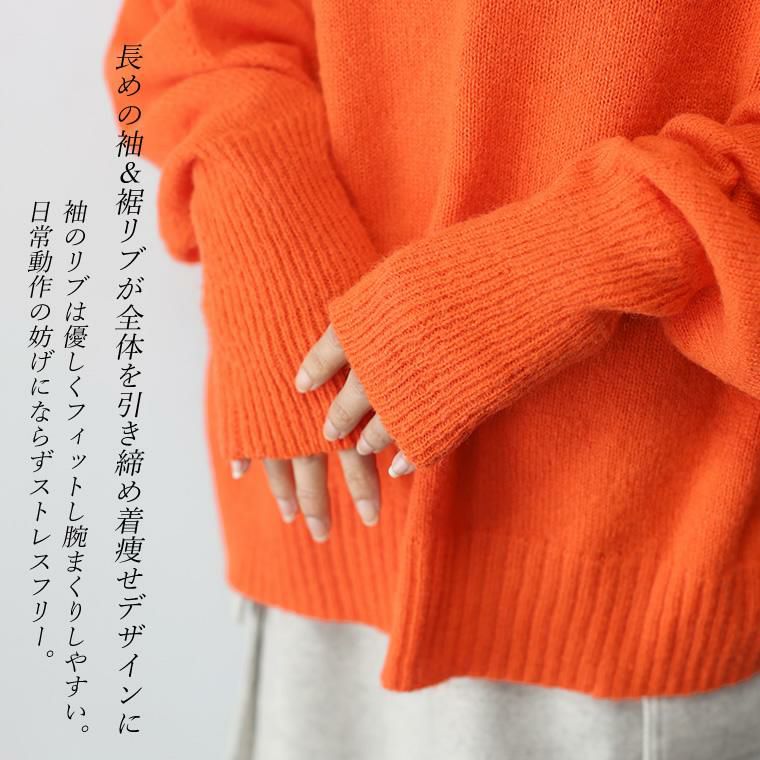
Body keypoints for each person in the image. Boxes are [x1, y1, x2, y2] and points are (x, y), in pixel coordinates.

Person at [103, 1, 760, 758]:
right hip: (320, 535)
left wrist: (572, 261)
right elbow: (168, 35)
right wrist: (256, 198)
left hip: (635, 585)